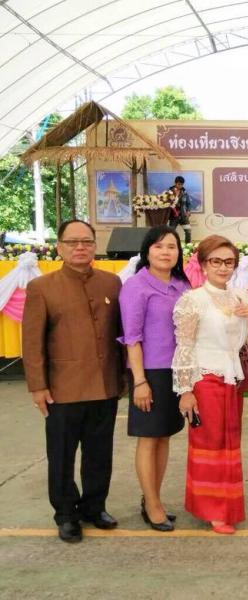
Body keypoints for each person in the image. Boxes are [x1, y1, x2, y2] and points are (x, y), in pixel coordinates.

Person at [22, 219, 125, 543]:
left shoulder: (111, 283)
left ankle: (94, 507)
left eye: (87, 241)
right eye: (72, 242)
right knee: (62, 456)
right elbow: (32, 343)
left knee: (100, 454)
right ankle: (66, 514)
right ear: (59, 247)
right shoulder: (42, 287)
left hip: (104, 385)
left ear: (95, 246)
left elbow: (120, 333)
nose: (80, 247)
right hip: (62, 389)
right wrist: (38, 386)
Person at [172, 235, 248, 534]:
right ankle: (212, 510)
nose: (223, 268)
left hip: (233, 378)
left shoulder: (241, 297)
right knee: (209, 444)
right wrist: (185, 390)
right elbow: (184, 346)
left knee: (230, 442)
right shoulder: (192, 300)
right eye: (216, 261)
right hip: (205, 377)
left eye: (229, 262)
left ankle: (226, 506)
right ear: (203, 264)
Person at [119, 225, 190, 532]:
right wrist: (139, 381)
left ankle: (153, 498)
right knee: (149, 439)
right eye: (159, 246)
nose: (166, 252)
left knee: (164, 436)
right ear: (147, 251)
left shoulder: (182, 284)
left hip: (177, 370)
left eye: (172, 246)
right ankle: (152, 505)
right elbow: (132, 338)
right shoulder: (136, 286)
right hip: (150, 372)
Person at [168, 175, 192, 244]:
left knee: (188, 231)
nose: (180, 186)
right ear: (175, 183)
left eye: (182, 184)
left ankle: (188, 246)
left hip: (183, 216)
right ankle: (171, 246)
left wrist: (188, 211)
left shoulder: (185, 193)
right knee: (171, 233)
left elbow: (189, 204)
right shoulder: (169, 192)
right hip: (173, 217)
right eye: (179, 184)